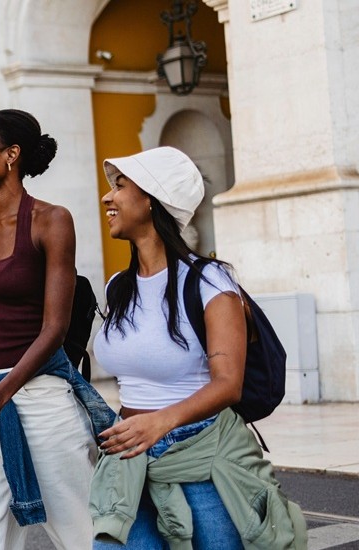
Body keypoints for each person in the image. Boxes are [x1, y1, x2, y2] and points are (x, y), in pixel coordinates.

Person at [89, 147, 306, 548]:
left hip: (202, 456)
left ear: (151, 200)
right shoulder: (118, 287)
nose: (107, 197)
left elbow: (228, 384)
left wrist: (161, 421)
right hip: (129, 463)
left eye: (120, 186)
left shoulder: (209, 282)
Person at [0, 109, 113, 550]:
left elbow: (54, 328)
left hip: (40, 400)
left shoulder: (51, 220)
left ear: (11, 155)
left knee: (81, 535)